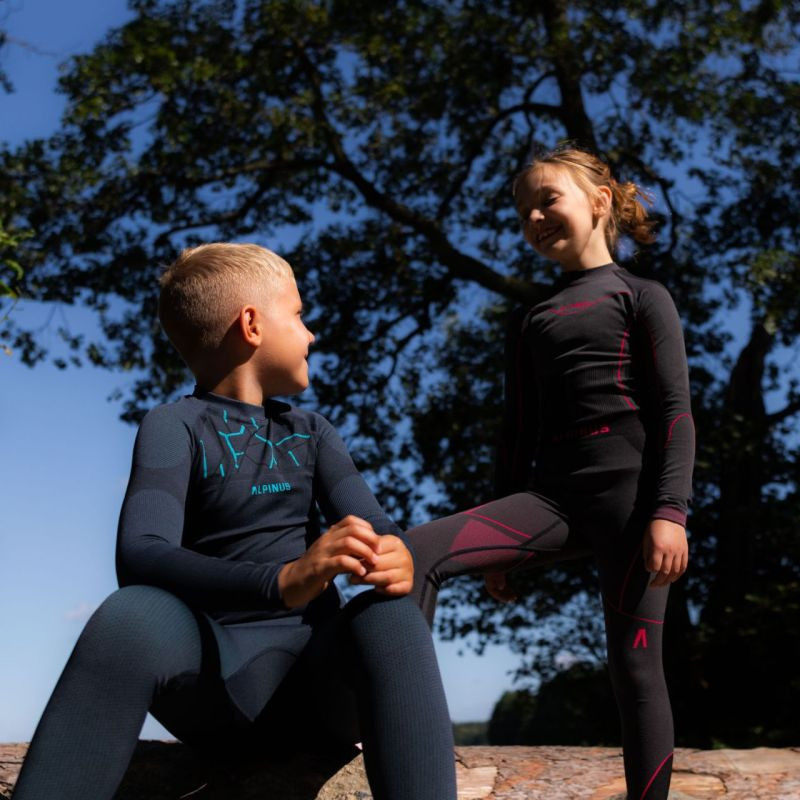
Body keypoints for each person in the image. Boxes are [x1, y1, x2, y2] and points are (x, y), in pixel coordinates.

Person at [13, 243, 457, 800]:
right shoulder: (173, 425)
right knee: (130, 614)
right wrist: (283, 580)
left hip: (320, 695)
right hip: (213, 692)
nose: (310, 334)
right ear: (251, 325)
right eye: (298, 314)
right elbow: (141, 552)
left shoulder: (312, 432)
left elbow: (373, 523)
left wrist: (394, 553)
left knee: (390, 617)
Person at [405, 147, 694, 800]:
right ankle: (403, 738)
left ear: (599, 201)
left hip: (631, 506)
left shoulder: (642, 296)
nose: (533, 217)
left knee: (635, 671)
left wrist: (669, 511)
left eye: (547, 200)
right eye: (522, 211)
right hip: (554, 502)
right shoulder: (530, 318)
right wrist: (498, 551)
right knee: (416, 553)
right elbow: (518, 431)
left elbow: (675, 413)